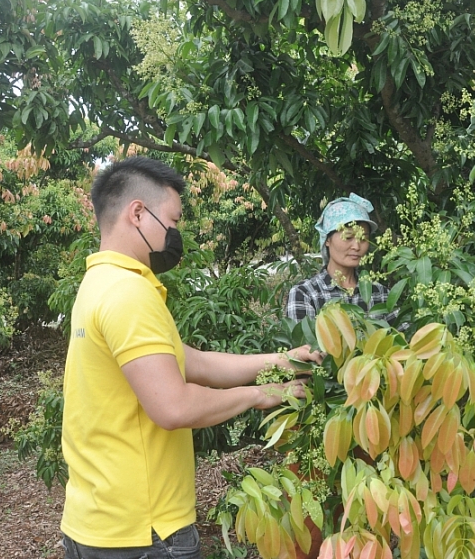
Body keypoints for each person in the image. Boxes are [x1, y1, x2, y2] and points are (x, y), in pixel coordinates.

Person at [60, 156, 321, 559]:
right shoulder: (130, 294)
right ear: (137, 214)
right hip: (144, 532)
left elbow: (189, 360)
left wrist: (282, 360)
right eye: (174, 221)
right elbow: (174, 406)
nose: (176, 234)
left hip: (94, 522)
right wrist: (262, 394)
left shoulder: (98, 283)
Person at [284, 193, 394, 322]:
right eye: (348, 237)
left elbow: (402, 340)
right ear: (327, 240)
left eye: (363, 238)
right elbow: (304, 340)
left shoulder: (380, 293)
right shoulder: (305, 294)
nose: (356, 246)